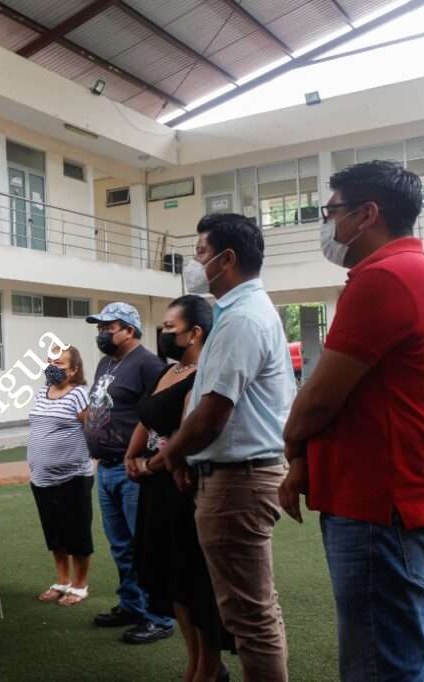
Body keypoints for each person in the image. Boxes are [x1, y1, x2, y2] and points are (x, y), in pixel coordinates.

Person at [279, 161, 424, 682]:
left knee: (382, 670)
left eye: (330, 211)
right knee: (395, 663)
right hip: (387, 503)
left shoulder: (386, 277)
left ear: (367, 214)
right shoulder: (404, 272)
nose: (326, 224)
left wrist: (291, 443)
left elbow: (318, 398)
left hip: (381, 508)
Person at [159, 213, 294, 682]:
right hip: (234, 476)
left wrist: (172, 453)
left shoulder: (242, 319)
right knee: (250, 612)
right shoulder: (236, 314)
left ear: (227, 259)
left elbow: (214, 411)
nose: (194, 263)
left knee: (249, 618)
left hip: (239, 482)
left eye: (200, 253)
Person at [128, 295, 232, 682]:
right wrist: (131, 455)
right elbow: (146, 419)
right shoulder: (168, 371)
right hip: (155, 489)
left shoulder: (204, 376)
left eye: (171, 328)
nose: (164, 334)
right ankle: (194, 662)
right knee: (171, 581)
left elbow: (189, 433)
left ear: (196, 332)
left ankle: (209, 667)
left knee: (194, 582)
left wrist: (150, 464)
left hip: (182, 487)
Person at [82, 302, 176, 644]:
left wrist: (146, 459)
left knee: (146, 546)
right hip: (106, 469)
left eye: (108, 328)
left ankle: (160, 617)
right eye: (100, 328)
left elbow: (163, 413)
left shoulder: (148, 364)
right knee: (121, 546)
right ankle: (132, 605)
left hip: (134, 472)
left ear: (129, 330)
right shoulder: (106, 362)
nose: (102, 334)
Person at [28, 345, 93, 607]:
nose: (52, 367)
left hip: (73, 478)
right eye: (50, 362)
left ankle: (79, 585)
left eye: (59, 364)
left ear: (74, 370)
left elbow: (93, 430)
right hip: (41, 479)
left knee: (77, 533)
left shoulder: (79, 394)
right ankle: (62, 581)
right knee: (54, 534)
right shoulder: (42, 392)